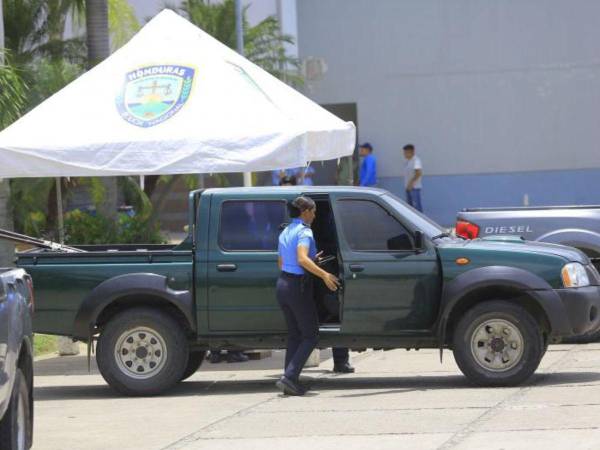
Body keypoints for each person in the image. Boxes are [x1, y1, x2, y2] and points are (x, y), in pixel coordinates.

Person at [275, 196, 340, 395]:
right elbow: (302, 259)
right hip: (297, 287)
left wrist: (312, 260)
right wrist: (325, 274)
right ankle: (290, 377)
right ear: (305, 212)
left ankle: (289, 379)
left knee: (295, 335)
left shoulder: (286, 230)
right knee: (311, 335)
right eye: (312, 211)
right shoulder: (305, 231)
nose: (314, 215)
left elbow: (281, 262)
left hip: (283, 284)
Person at [403, 144, 423, 212]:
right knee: (410, 208)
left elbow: (418, 173)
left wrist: (411, 183)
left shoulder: (416, 160)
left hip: (414, 188)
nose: (404, 154)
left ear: (411, 151)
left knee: (417, 208)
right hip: (408, 188)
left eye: (406, 152)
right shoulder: (408, 161)